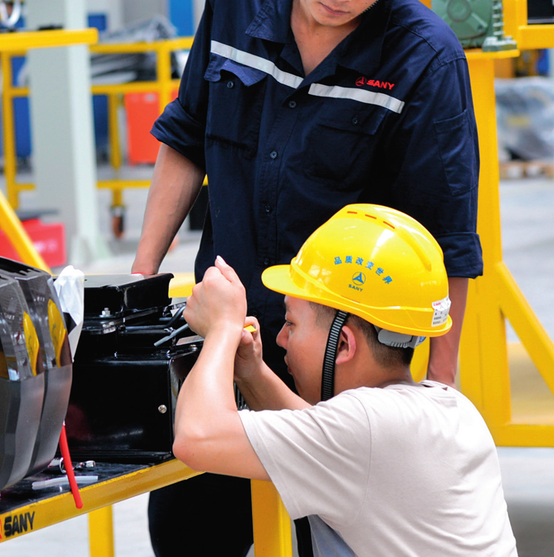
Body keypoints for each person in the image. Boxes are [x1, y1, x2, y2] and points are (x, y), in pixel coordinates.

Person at [134, 0, 482, 555]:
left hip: (339, 361)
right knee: (191, 527)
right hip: (218, 332)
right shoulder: (234, 1)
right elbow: (185, 139)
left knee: (323, 539)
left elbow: (448, 238)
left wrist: (435, 393)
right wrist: (143, 278)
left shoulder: (425, 60)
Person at [174, 204, 517, 557]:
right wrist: (253, 373)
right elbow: (324, 438)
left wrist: (221, 329)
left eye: (291, 324)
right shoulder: (448, 407)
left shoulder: (366, 426)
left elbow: (196, 438)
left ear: (343, 343)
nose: (280, 339)